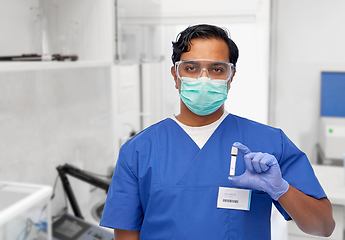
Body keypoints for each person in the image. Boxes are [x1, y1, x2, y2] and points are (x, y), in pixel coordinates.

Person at [100, 24, 335, 239]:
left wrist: (280, 188)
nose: (204, 78)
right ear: (176, 75)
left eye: (217, 69)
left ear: (230, 76)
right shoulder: (139, 151)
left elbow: (324, 226)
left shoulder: (269, 143)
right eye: (191, 68)